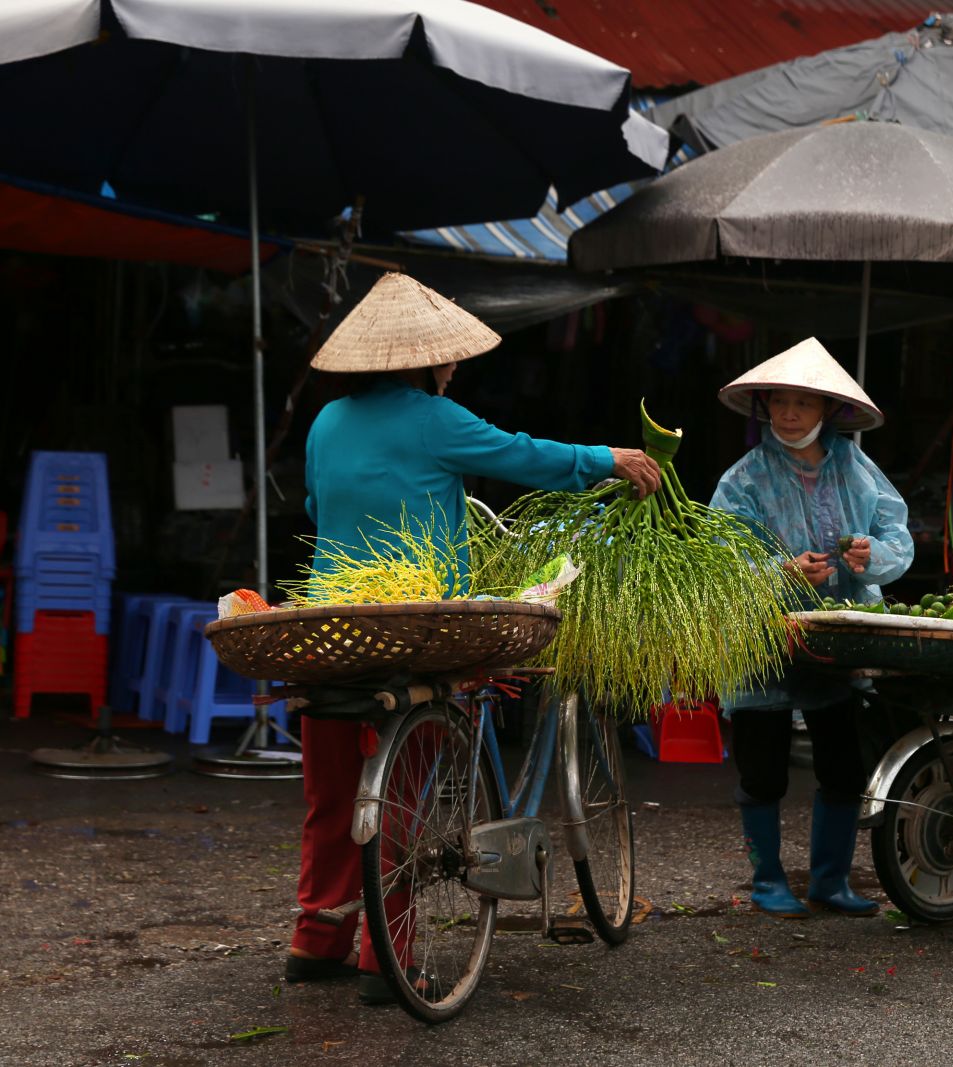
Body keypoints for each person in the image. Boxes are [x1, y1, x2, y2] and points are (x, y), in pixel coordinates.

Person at [289, 273, 661, 1004]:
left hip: (334, 626)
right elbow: (519, 455)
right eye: (446, 357)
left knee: (332, 790)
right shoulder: (435, 419)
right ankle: (382, 952)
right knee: (400, 793)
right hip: (416, 629)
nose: (453, 367)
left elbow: (315, 502)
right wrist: (607, 459)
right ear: (417, 363)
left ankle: (314, 937)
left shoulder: (325, 422)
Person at [711, 338, 914, 918]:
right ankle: (767, 880)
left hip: (841, 638)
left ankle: (830, 881)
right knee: (763, 768)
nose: (790, 413)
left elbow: (898, 537)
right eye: (780, 401)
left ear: (827, 410)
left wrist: (869, 556)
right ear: (765, 406)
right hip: (763, 637)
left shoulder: (856, 464)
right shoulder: (742, 479)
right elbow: (722, 563)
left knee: (844, 763)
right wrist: (782, 572)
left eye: (803, 402)